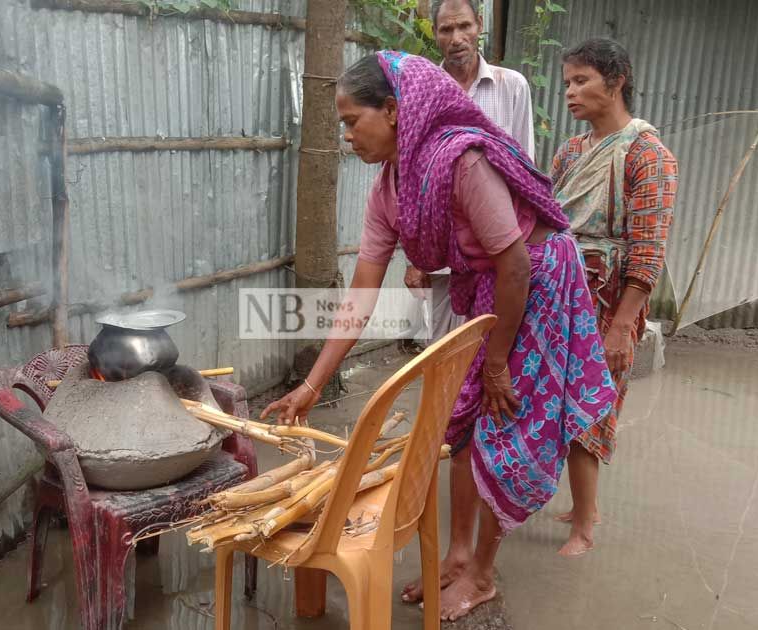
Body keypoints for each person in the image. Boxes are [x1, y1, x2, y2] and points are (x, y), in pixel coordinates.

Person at [261, 51, 616, 621]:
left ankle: (481, 575)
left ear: (396, 111)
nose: (347, 135)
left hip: (538, 278)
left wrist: (498, 363)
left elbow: (517, 264)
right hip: (488, 285)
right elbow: (361, 295)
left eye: (353, 121)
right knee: (460, 422)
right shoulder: (388, 190)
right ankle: (455, 557)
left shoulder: (460, 162)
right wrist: (311, 384)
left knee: (503, 421)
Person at [549, 38, 678, 557]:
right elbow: (548, 221)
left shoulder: (649, 156)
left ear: (616, 80)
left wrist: (622, 325)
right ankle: (586, 505)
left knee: (590, 410)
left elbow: (648, 251)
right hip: (560, 298)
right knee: (558, 404)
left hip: (607, 304)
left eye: (581, 81)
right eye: (566, 84)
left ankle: (584, 529)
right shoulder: (571, 153)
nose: (570, 93)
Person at [402, 0, 538, 352]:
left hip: (501, 249)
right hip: (444, 252)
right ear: (435, 34)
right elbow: (411, 176)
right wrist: (415, 259)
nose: (457, 38)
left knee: (499, 353)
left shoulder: (511, 87)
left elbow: (525, 170)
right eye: (446, 30)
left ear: (480, 24)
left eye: (464, 26)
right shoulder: (420, 93)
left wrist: (524, 251)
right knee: (443, 356)